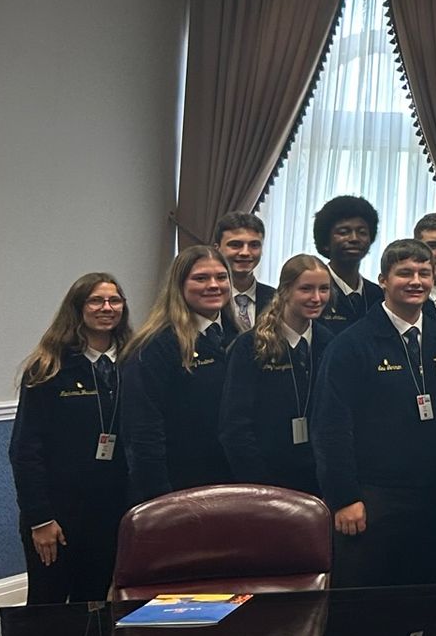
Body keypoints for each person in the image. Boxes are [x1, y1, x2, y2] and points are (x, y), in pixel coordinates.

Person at [311, 239, 436, 587]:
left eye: (424, 273)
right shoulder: (351, 344)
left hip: (435, 497)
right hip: (373, 498)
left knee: (428, 598)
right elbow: (331, 427)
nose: (416, 281)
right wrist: (344, 497)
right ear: (383, 281)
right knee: (369, 604)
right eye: (404, 273)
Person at [9, 274, 132, 603]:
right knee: (47, 606)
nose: (106, 307)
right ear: (77, 309)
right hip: (58, 514)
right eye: (96, 300)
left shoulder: (136, 363)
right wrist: (40, 519)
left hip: (112, 512)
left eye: (114, 300)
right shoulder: (49, 368)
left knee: (95, 602)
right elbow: (25, 451)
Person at [123, 246, 235, 501]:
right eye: (201, 278)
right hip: (177, 488)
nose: (214, 285)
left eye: (221, 277)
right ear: (179, 285)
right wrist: (160, 500)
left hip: (232, 483)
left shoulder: (239, 339)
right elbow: (143, 433)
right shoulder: (155, 347)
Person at [220, 254, 334, 496]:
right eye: (306, 289)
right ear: (285, 291)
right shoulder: (250, 345)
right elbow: (235, 427)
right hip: (265, 481)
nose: (317, 298)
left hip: (319, 479)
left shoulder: (330, 343)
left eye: (324, 289)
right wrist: (259, 485)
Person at [313, 195, 379, 333]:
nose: (354, 239)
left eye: (362, 232)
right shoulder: (312, 290)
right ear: (325, 241)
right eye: (344, 232)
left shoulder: (378, 295)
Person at [214, 211, 267, 333]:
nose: (245, 252)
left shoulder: (277, 300)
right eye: (235, 245)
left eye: (254, 245)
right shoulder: (207, 298)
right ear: (217, 250)